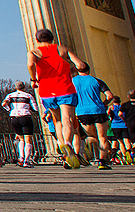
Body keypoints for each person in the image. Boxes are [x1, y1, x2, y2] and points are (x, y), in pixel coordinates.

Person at [27, 28, 85, 169]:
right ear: (53, 38)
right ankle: (68, 143)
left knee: (57, 120)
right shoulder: (62, 49)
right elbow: (81, 65)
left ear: (37, 39)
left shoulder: (34, 52)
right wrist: (71, 68)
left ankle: (63, 151)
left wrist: (34, 79)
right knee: (68, 119)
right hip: (65, 88)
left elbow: (30, 64)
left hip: (46, 90)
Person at [71, 63, 114, 169]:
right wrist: (105, 103)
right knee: (102, 137)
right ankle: (102, 162)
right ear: (89, 70)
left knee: (91, 136)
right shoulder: (97, 81)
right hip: (98, 110)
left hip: (82, 112)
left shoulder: (73, 81)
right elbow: (110, 96)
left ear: (77, 71)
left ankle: (86, 153)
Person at [2, 81, 38, 167]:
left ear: (15, 87)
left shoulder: (10, 95)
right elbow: (35, 108)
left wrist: (9, 109)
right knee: (28, 140)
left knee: (21, 139)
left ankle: (21, 157)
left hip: (14, 117)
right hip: (25, 117)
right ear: (24, 87)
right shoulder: (28, 96)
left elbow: (3, 103)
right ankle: (26, 160)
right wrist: (31, 110)